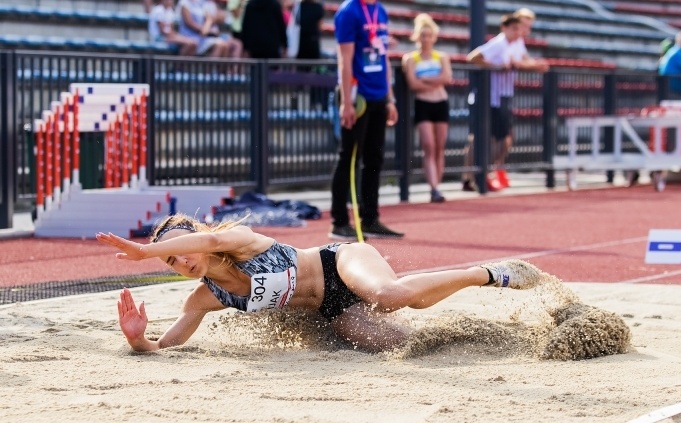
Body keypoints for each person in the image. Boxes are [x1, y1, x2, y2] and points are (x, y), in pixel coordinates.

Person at [95, 214, 543, 353]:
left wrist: (143, 251)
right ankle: (501, 336)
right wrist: (139, 342)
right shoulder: (209, 296)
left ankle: (487, 273)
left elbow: (210, 238)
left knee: (391, 296)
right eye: (171, 260)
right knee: (400, 345)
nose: (182, 260)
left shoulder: (240, 242)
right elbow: (168, 344)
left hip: (339, 262)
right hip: (332, 310)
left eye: (183, 248)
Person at [329, 0, 404, 240]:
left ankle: (370, 218)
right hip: (357, 95)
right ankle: (339, 222)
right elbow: (345, 59)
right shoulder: (349, 12)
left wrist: (390, 98)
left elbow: (383, 56)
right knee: (349, 157)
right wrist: (347, 102)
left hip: (379, 95)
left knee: (375, 157)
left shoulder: (380, 10)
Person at [466, 13, 549, 177]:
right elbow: (473, 58)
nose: (519, 32)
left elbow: (524, 61)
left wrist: (534, 65)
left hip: (503, 95)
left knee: (503, 138)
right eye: (515, 29)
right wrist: (496, 67)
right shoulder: (498, 44)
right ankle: (473, 175)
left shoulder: (516, 43)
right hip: (489, 96)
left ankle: (483, 173)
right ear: (505, 28)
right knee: (483, 137)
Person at [402, 14, 452, 203]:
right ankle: (433, 187)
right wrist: (434, 81)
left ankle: (437, 186)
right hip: (423, 103)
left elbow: (446, 78)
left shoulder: (442, 56)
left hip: (440, 103)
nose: (426, 39)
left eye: (429, 35)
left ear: (434, 37)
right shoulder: (411, 58)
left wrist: (426, 80)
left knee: (440, 146)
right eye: (422, 35)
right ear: (417, 37)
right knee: (429, 145)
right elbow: (413, 84)